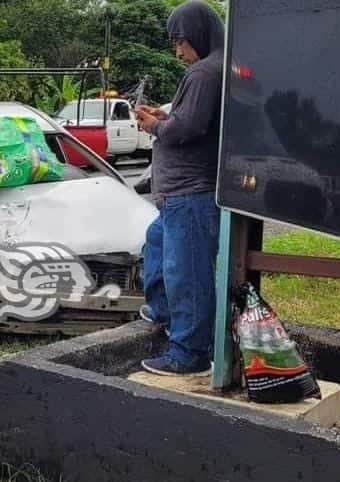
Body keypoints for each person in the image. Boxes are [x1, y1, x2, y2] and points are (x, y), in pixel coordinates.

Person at [133, 1, 225, 376]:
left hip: (191, 193)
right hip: (180, 197)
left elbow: (186, 130)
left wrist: (153, 126)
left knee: (187, 273)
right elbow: (190, 122)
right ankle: (165, 312)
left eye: (182, 43)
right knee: (156, 246)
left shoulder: (204, 73)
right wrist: (165, 118)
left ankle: (189, 353)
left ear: (200, 36)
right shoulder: (213, 69)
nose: (178, 52)